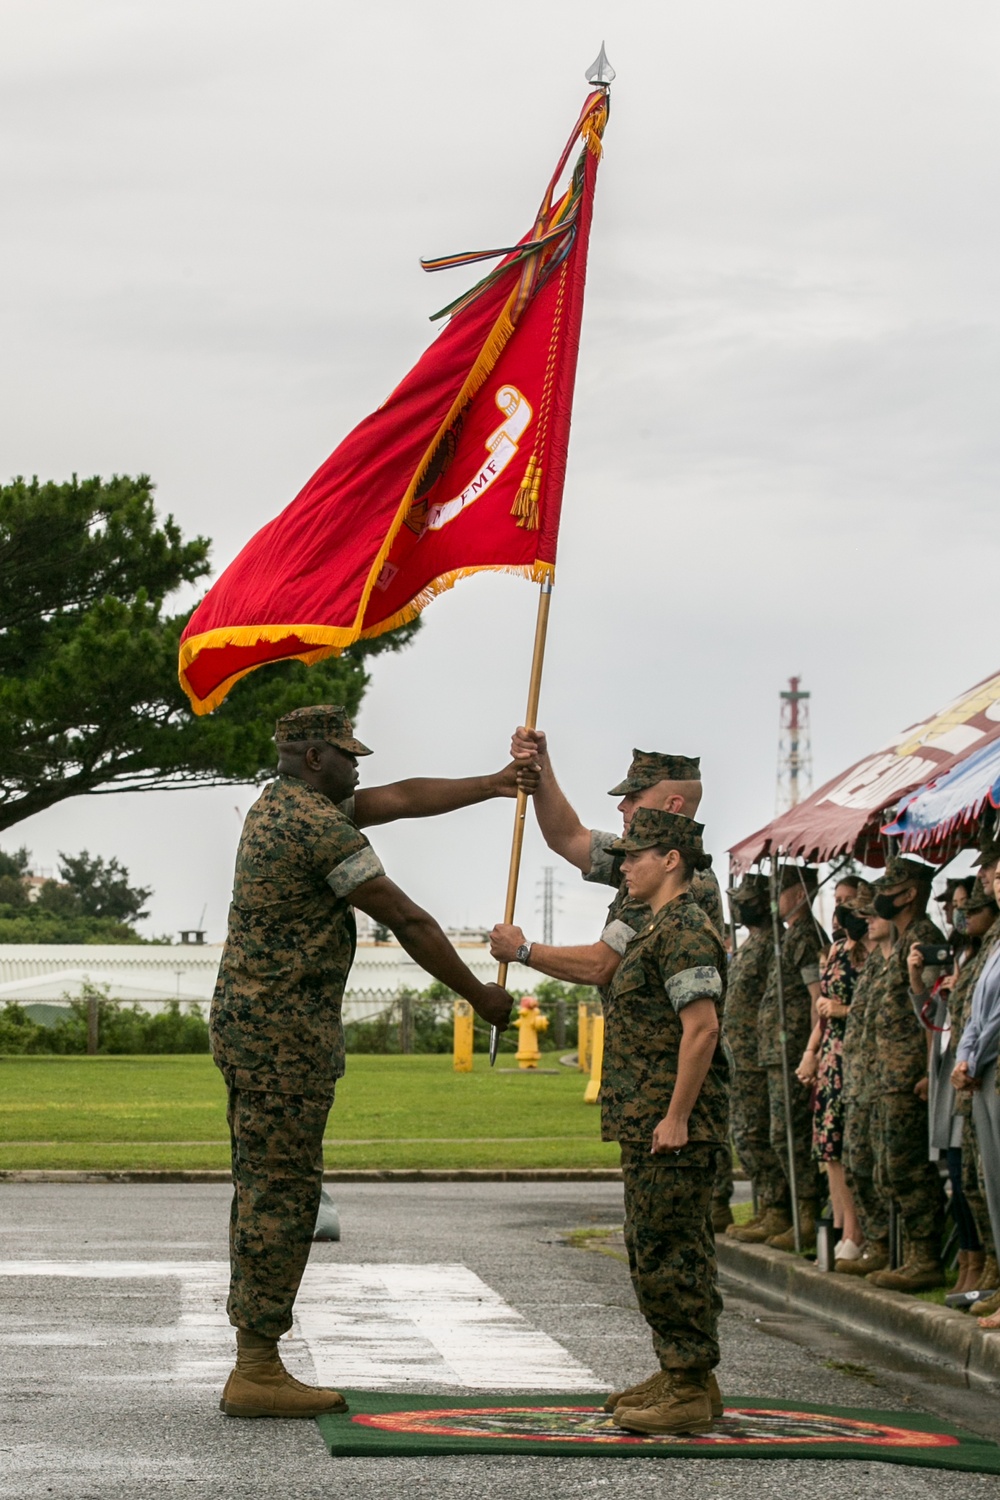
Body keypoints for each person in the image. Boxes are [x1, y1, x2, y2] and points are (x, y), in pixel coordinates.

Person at [211, 705, 520, 1419]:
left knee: (267, 1185)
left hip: (260, 1031)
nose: (360, 769)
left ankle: (256, 1358)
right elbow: (406, 918)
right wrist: (480, 995)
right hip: (281, 1038)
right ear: (317, 757)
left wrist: (495, 784)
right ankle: (256, 1367)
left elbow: (401, 799)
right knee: (281, 1194)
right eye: (350, 757)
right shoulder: (315, 827)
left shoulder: (278, 802)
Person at [493, 736, 732, 1224]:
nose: (622, 807)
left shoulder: (680, 885)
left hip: (666, 1093)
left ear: (672, 806)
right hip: (646, 1095)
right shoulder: (645, 865)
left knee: (670, 1250)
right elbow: (567, 837)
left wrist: (523, 951)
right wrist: (541, 767)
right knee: (651, 1243)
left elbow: (604, 964)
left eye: (634, 798)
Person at [590, 809, 730, 1435]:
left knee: (669, 1250)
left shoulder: (685, 928)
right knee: (657, 1246)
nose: (624, 867)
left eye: (635, 855)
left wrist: (676, 1117)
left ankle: (687, 1383)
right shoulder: (654, 926)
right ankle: (686, 1374)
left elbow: (701, 1028)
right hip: (646, 1116)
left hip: (673, 1125)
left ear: (671, 858)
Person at [865, 855, 947, 1293]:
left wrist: (930, 1069)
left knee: (909, 1168)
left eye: (890, 887)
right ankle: (907, 1254)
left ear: (910, 892)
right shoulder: (903, 940)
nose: (881, 896)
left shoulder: (925, 938)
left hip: (909, 1074)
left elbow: (935, 1010)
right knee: (889, 1168)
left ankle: (925, 1256)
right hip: (888, 1073)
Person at [916, 881, 998, 1294]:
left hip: (979, 1070)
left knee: (980, 1178)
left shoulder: (989, 950)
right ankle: (972, 1261)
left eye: (968, 906)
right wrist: (924, 981)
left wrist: (971, 1056)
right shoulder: (962, 950)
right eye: (953, 906)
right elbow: (941, 1017)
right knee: (965, 1179)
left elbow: (988, 1018)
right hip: (960, 1069)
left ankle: (986, 1266)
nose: (959, 914)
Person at [795, 886, 872, 1260]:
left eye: (849, 903)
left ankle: (855, 1233)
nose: (840, 910)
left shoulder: (869, 954)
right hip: (830, 1054)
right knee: (828, 1148)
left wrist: (840, 1012)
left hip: (854, 1054)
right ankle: (841, 1229)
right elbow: (823, 1009)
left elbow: (864, 1007)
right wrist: (810, 1053)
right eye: (838, 902)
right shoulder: (838, 951)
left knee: (844, 1143)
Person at [755, 865, 826, 1251]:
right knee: (778, 1135)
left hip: (794, 1051)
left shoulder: (806, 936)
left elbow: (818, 998)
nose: (774, 900)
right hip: (777, 1052)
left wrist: (811, 1052)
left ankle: (807, 1215)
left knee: (792, 1136)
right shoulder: (789, 936)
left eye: (781, 892)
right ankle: (792, 1214)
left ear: (799, 894)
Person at [722, 875, 788, 1244]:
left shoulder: (771, 944)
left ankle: (777, 1208)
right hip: (742, 1053)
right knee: (746, 1135)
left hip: (757, 1055)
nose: (738, 906)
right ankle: (765, 1207)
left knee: (756, 1134)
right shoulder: (752, 944)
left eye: (745, 900)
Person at [952, 855, 1000, 1329]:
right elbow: (976, 1012)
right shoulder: (993, 946)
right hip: (982, 1070)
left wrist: (974, 1055)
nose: (996, 885)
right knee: (988, 1181)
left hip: (990, 1066)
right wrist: (966, 1055)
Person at [837, 898, 892, 1275]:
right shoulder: (874, 959)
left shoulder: (906, 950)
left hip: (888, 1078)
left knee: (890, 1169)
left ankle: (888, 1246)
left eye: (872, 913)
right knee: (857, 1161)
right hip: (859, 1075)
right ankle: (876, 1242)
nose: (866, 920)